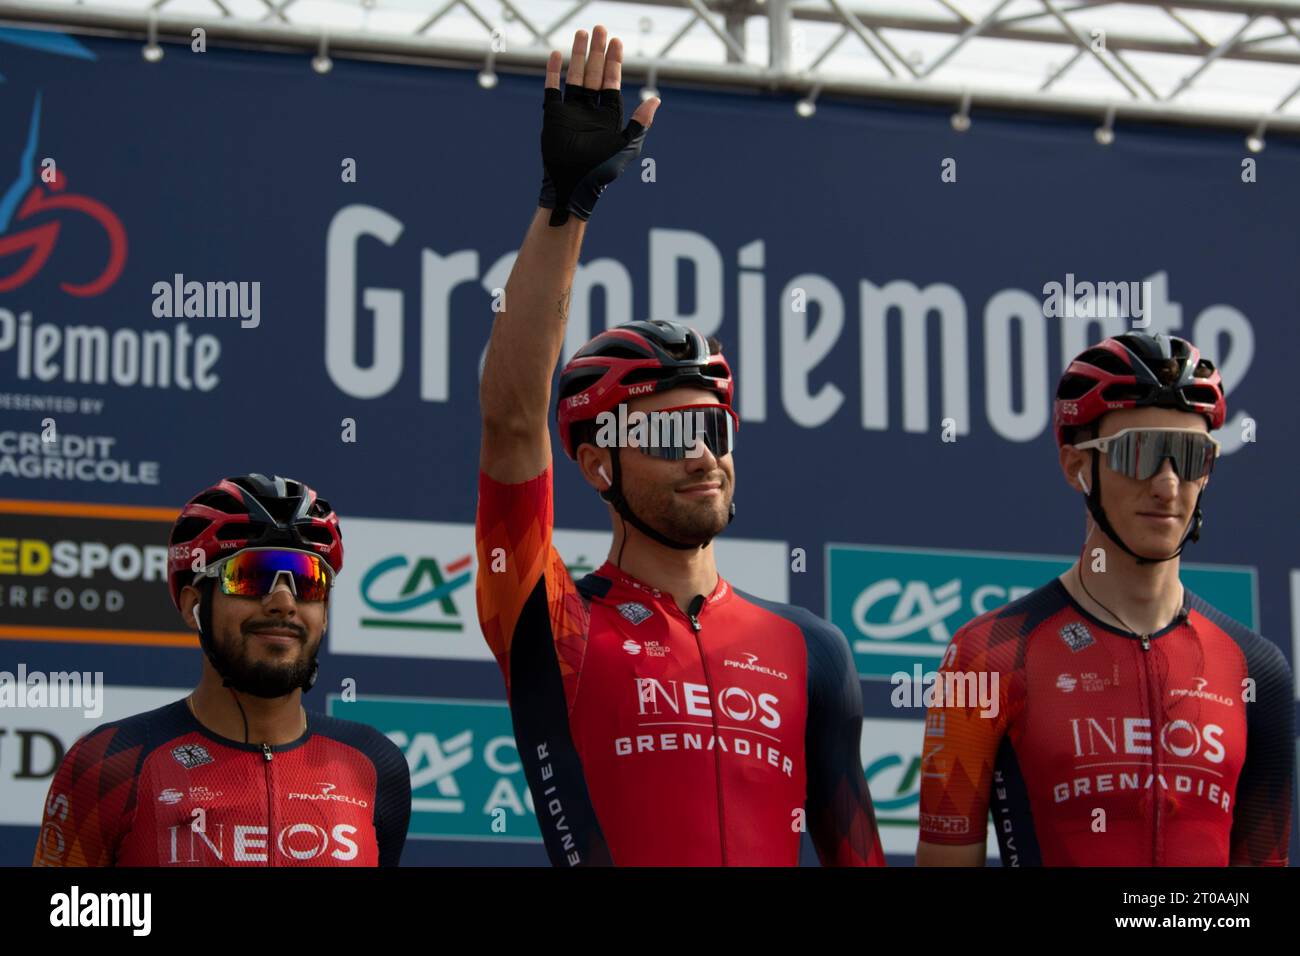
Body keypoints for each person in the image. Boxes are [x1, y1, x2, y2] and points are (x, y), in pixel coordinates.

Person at [474, 24, 884, 866]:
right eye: (667, 430)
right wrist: (566, 209)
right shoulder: (553, 622)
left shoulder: (814, 651)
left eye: (714, 426)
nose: (702, 453)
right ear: (597, 463)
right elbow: (513, 421)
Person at [916, 332, 1293, 866]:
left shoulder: (1258, 670)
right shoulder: (988, 656)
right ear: (1076, 467)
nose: (1167, 484)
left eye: (1190, 456)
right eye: (1139, 452)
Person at [32, 474, 411, 866]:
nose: (283, 602)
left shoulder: (373, 764)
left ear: (325, 612)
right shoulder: (111, 762)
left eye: (307, 581)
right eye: (250, 577)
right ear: (193, 605)